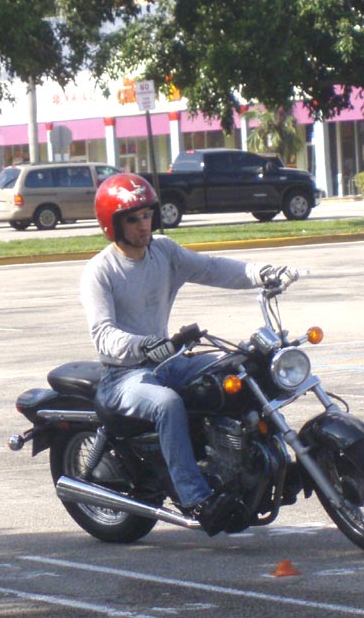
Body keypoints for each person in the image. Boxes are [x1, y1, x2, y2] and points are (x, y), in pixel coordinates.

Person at [80, 172, 292, 535]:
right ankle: (197, 498)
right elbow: (104, 335)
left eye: (147, 215)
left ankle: (254, 461)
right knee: (167, 404)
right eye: (133, 219)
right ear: (112, 225)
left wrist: (263, 273)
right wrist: (143, 344)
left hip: (167, 362)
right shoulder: (101, 271)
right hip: (124, 375)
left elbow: (212, 268)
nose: (143, 225)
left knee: (238, 370)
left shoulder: (163, 251)